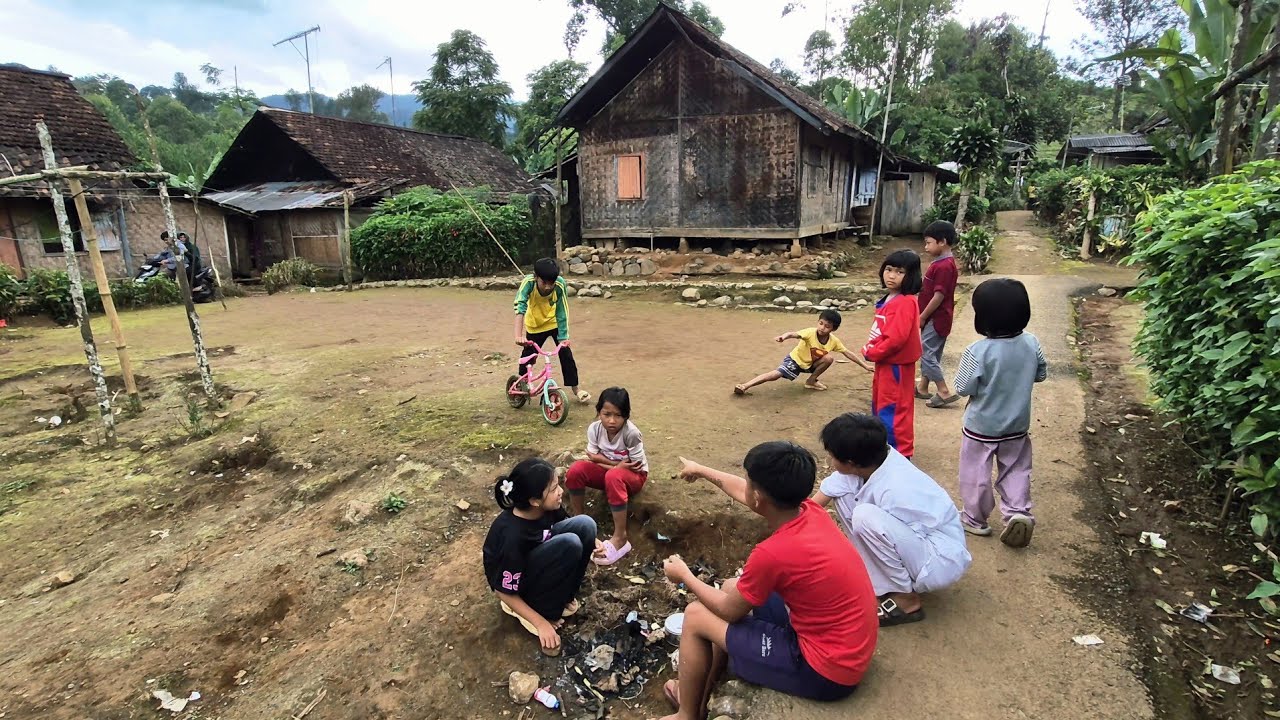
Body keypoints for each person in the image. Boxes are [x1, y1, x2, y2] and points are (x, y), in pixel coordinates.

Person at [657, 443, 878, 720]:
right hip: (848, 643)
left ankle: (687, 714)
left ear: (759, 497)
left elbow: (728, 611)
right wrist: (700, 470)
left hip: (826, 671)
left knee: (696, 615)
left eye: (749, 482)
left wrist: (685, 575)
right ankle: (700, 693)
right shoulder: (810, 511)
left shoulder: (772, 553)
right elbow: (742, 490)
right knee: (729, 588)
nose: (745, 486)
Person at [813, 413, 971, 627]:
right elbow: (820, 499)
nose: (830, 462)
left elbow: (896, 535)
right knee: (846, 498)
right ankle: (879, 582)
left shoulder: (898, 488)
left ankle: (906, 599)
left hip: (938, 559)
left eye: (832, 457)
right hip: (915, 541)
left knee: (864, 517)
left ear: (850, 462)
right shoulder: (872, 460)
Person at [953, 278, 1047, 548]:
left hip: (980, 427)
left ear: (983, 317)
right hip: (1017, 425)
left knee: (975, 474)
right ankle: (1018, 512)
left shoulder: (977, 351)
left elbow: (962, 387)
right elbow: (1041, 374)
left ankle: (974, 519)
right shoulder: (1032, 343)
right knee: (1017, 470)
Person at [482, 458, 600, 656]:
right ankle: (539, 611)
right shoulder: (513, 537)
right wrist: (541, 623)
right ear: (534, 501)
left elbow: (567, 522)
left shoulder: (544, 508)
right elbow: (503, 591)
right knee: (570, 543)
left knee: (586, 525)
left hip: (537, 558)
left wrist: (593, 541)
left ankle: (565, 595)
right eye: (554, 489)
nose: (561, 491)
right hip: (517, 586)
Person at [565, 387, 648, 566]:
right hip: (612, 473)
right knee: (575, 471)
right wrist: (616, 465)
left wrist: (606, 463)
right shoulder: (594, 429)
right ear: (598, 412)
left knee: (613, 476)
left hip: (634, 477)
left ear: (626, 416)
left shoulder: (631, 433)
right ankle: (580, 523)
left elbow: (635, 467)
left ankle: (621, 537)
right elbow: (592, 460)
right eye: (606, 414)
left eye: (618, 415)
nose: (611, 420)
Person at [862, 249, 923, 459]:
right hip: (885, 363)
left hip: (896, 365)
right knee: (880, 406)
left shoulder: (905, 301)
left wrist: (872, 352)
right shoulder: (890, 298)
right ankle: (883, 448)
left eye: (899, 272)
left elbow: (896, 339)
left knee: (894, 409)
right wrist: (871, 349)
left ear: (911, 275)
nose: (891, 275)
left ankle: (900, 454)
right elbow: (883, 332)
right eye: (888, 270)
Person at [733, 309, 870, 395]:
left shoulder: (833, 341)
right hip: (795, 361)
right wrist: (784, 336)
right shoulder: (810, 332)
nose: (822, 328)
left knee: (828, 359)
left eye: (827, 326)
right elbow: (794, 334)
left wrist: (865, 366)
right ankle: (746, 385)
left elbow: (847, 353)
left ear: (833, 329)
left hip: (811, 364)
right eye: (821, 323)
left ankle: (811, 381)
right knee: (775, 374)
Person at [513, 257, 590, 404]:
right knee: (529, 355)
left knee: (566, 353)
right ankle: (520, 384)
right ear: (536, 277)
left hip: (553, 324)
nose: (548, 287)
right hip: (535, 325)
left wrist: (564, 337)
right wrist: (518, 336)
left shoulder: (560, 284)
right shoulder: (528, 283)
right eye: (544, 283)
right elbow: (519, 307)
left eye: (551, 283)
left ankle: (576, 389)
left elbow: (562, 311)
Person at [916, 221, 961, 408]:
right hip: (939, 317)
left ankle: (943, 390)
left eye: (928, 243)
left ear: (942, 242)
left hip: (936, 317)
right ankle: (923, 387)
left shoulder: (943, 266)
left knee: (926, 353)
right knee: (932, 352)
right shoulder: (941, 264)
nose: (926, 247)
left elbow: (939, 295)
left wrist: (923, 316)